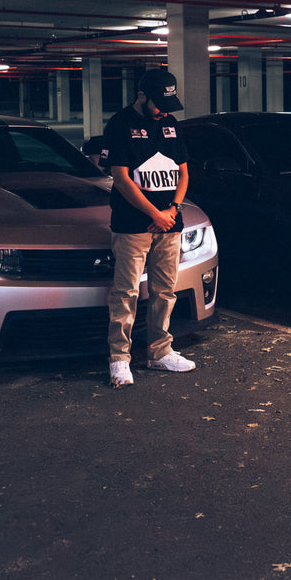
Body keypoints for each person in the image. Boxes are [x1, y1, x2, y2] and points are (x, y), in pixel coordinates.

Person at [102, 68, 195, 387]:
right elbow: (121, 179)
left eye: (169, 106)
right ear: (142, 96)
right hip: (132, 226)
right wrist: (155, 213)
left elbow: (183, 173)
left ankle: (160, 352)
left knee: (164, 291)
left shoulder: (171, 124)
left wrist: (173, 209)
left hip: (170, 223)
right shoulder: (120, 124)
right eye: (159, 105)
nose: (164, 112)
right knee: (126, 292)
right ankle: (119, 359)